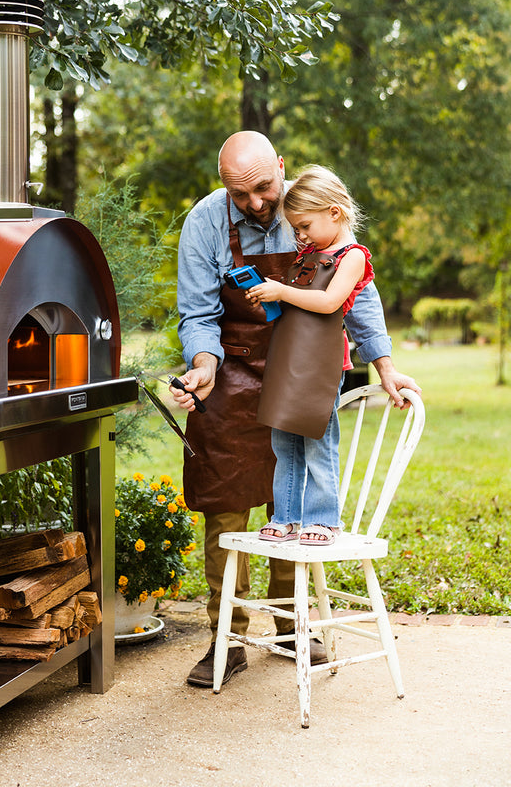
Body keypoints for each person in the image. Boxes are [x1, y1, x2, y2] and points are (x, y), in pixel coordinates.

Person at [169, 131, 420, 689]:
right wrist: (203, 366)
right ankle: (226, 638)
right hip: (230, 375)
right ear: (223, 186)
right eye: (241, 195)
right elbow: (197, 312)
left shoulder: (308, 208)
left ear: (280, 166)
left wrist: (383, 365)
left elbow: (358, 294)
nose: (258, 204)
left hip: (299, 372)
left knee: (297, 498)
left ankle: (290, 625)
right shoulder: (205, 223)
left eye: (264, 188)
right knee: (226, 504)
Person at [247, 164, 375, 547]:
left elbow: (329, 301)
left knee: (317, 439)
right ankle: (287, 515)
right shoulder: (309, 253)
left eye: (304, 226)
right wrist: (268, 298)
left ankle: (324, 518)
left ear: (334, 213)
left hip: (320, 364)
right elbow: (296, 307)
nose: (300, 235)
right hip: (290, 358)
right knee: (283, 439)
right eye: (296, 229)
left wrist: (282, 292)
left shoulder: (351, 256)